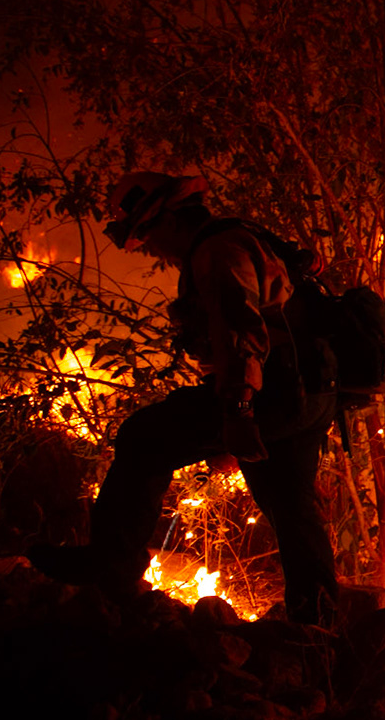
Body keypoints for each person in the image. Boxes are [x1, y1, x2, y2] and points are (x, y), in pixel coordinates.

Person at [29, 173, 340, 624]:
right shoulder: (242, 236)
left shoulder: (216, 252)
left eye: (149, 234)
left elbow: (240, 333)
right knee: (289, 503)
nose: (151, 248)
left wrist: (238, 411)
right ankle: (319, 623)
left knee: (143, 436)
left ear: (171, 218)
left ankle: (110, 567)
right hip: (311, 391)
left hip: (274, 390)